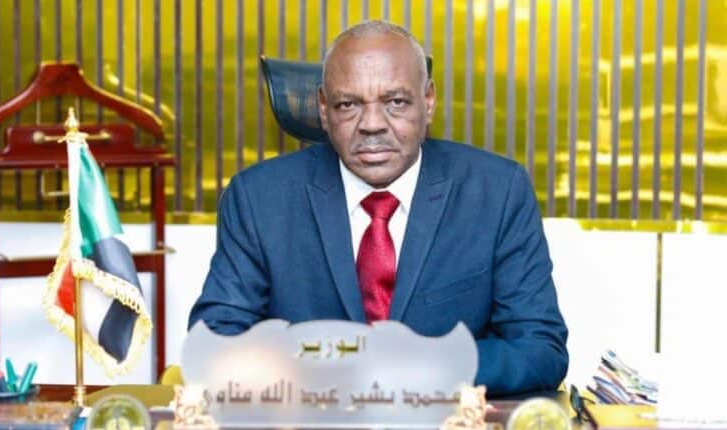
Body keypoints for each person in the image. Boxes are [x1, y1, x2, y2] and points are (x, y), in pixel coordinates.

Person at [189, 20, 568, 396]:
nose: (372, 125)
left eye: (395, 102)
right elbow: (216, 345)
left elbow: (539, 348)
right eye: (348, 104)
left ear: (428, 101)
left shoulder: (497, 193)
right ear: (323, 108)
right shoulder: (258, 199)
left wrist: (420, 369)